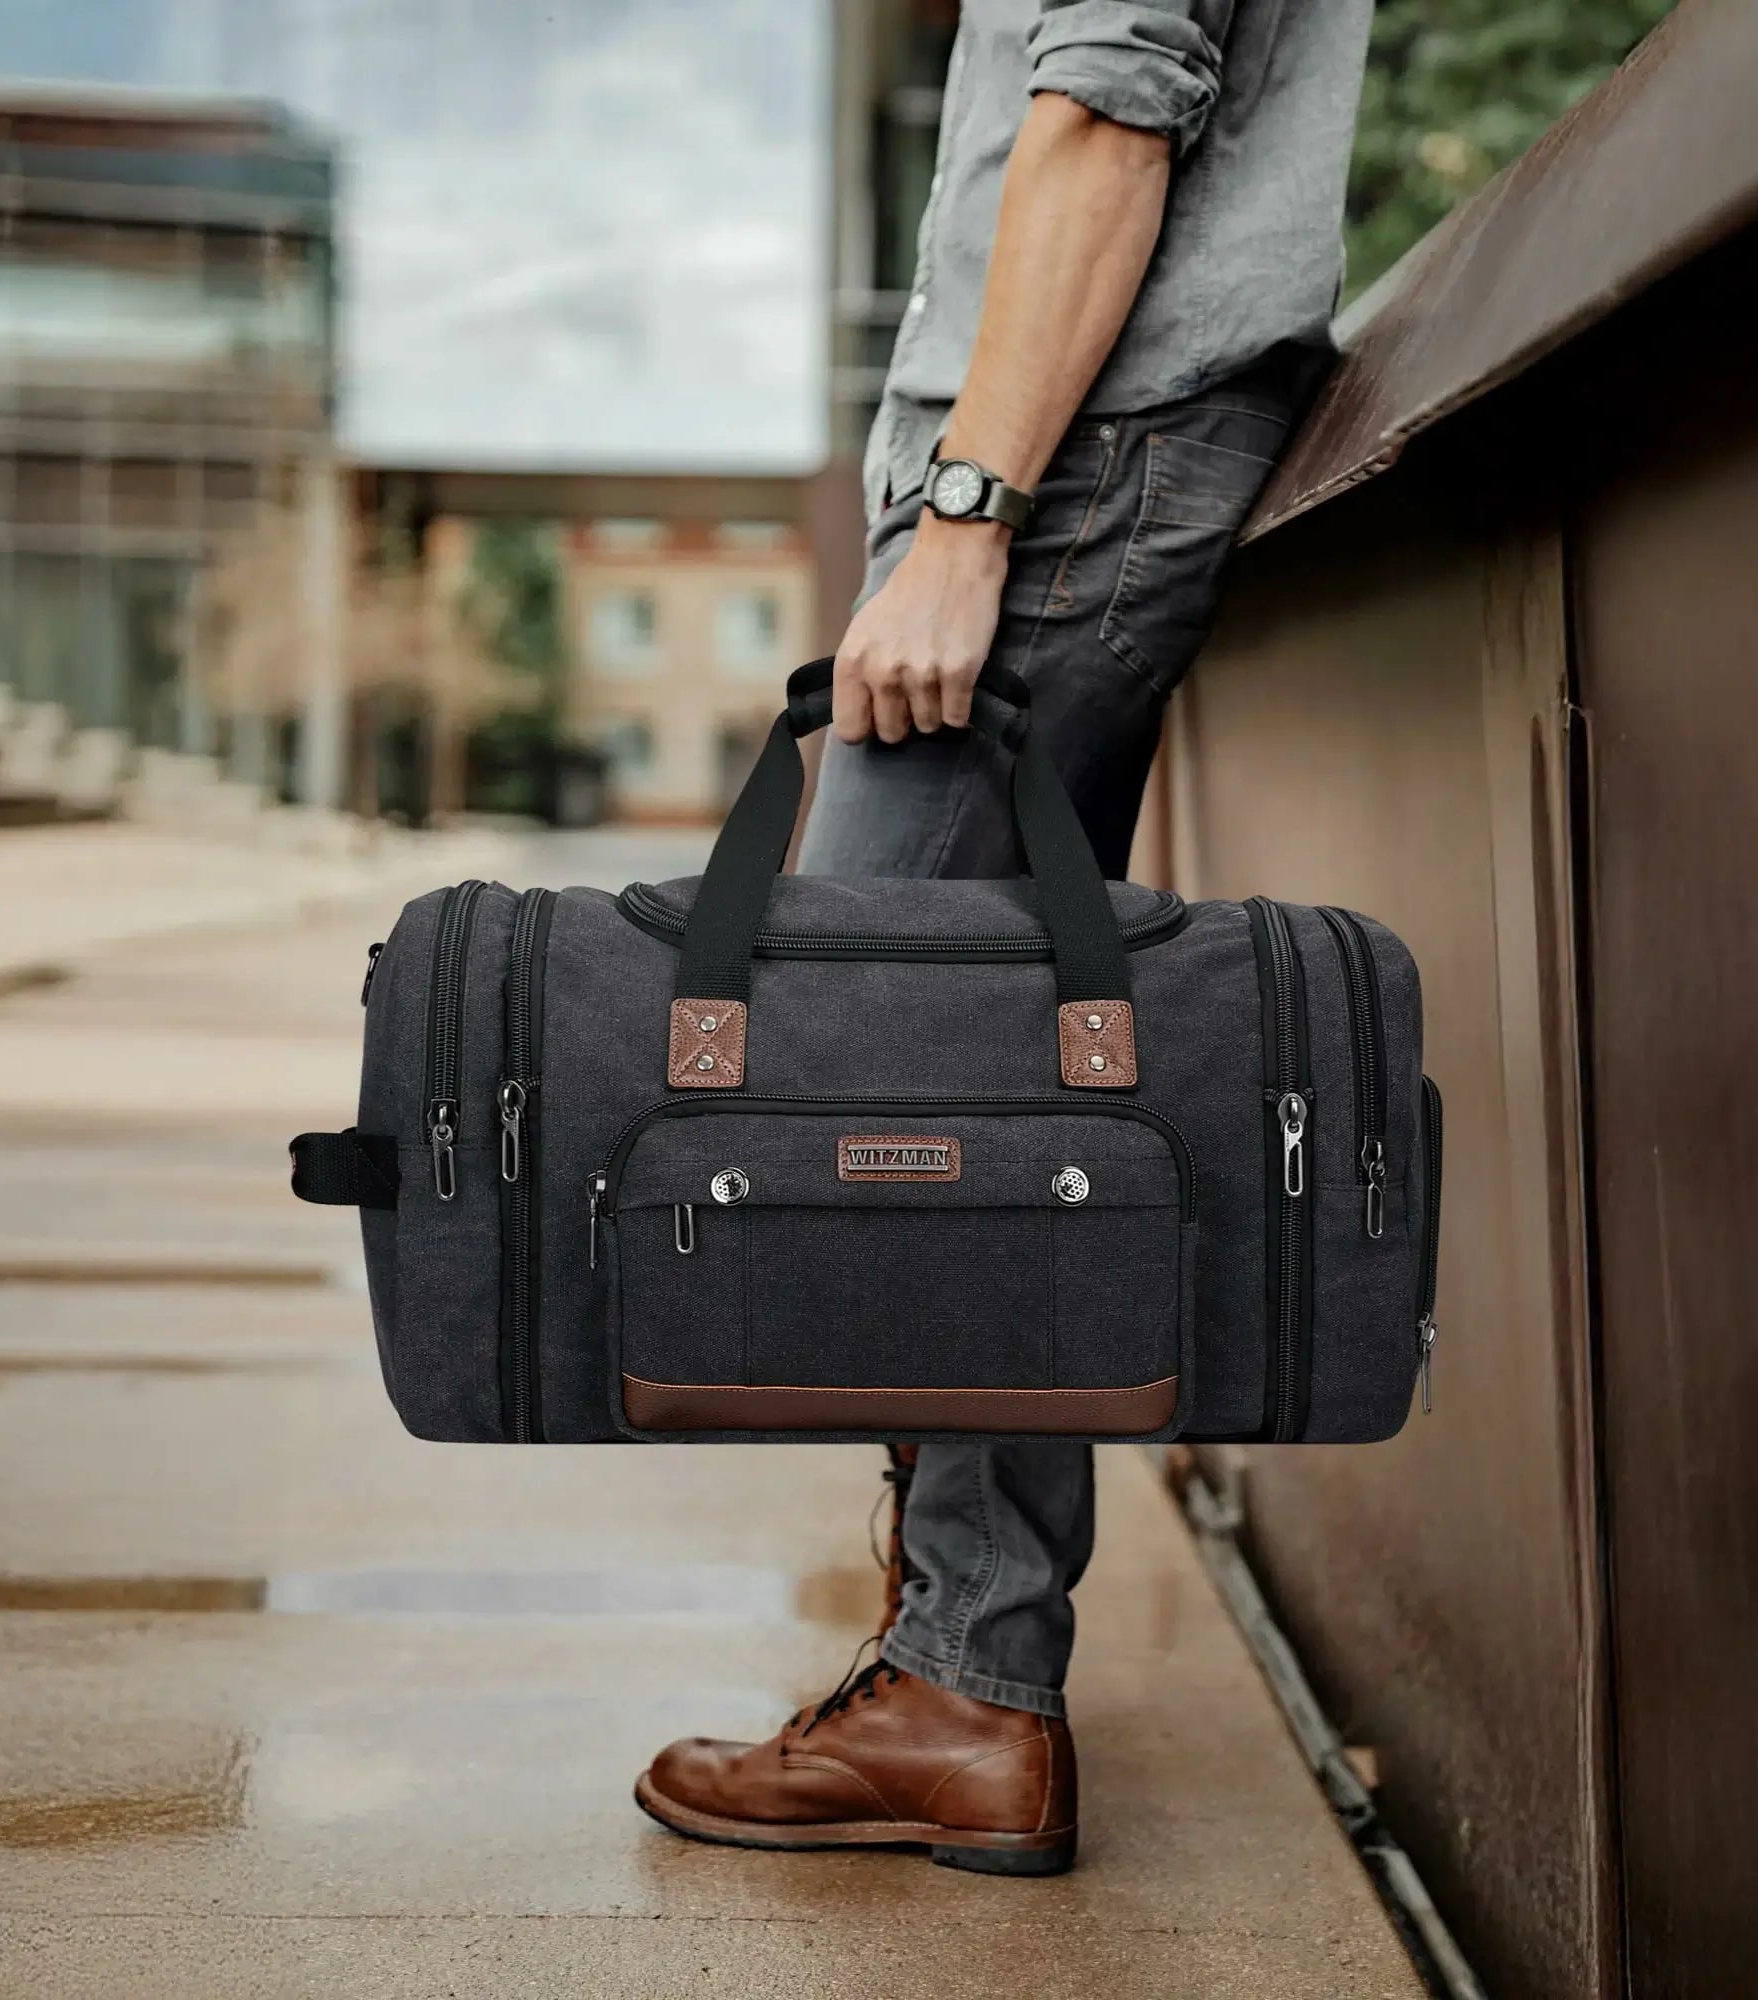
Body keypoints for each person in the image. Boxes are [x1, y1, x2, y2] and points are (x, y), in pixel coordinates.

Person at [636, 0, 1373, 1875]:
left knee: (900, 1092)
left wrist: (965, 517)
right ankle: (962, 1665)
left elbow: (1111, 113)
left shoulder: (1020, 500)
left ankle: (968, 1688)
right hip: (1080, 474)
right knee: (972, 1089)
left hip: (1061, 483)